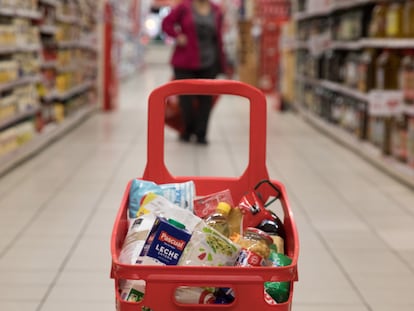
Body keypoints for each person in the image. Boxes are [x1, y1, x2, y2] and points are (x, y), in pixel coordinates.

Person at [162, 0, 226, 145]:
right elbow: (166, 23)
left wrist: (222, 62)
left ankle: (201, 133)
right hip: (185, 61)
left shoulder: (216, 10)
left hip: (209, 62)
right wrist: (177, 36)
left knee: (206, 100)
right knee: (186, 100)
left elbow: (218, 37)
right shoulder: (184, 7)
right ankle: (187, 129)